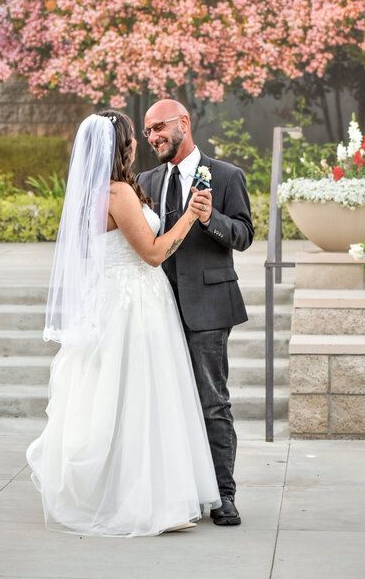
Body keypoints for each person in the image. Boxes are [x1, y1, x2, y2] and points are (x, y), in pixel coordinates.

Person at [26, 111, 221, 538]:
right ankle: (146, 502)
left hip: (107, 300)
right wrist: (190, 215)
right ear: (123, 146)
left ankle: (114, 493)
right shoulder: (117, 193)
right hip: (134, 304)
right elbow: (152, 253)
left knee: (113, 401)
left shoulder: (88, 194)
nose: (139, 143)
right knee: (142, 400)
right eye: (134, 137)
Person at [138, 99, 254, 526]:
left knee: (212, 403)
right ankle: (181, 493)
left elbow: (244, 235)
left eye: (159, 127)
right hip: (156, 309)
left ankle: (223, 495)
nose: (153, 137)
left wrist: (212, 219)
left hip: (208, 308)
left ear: (184, 123)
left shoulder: (226, 176)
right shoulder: (144, 180)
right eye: (148, 131)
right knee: (165, 403)